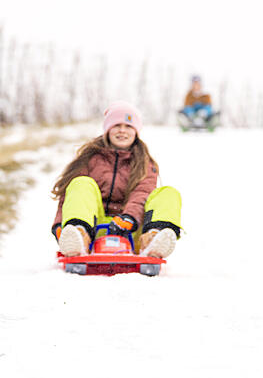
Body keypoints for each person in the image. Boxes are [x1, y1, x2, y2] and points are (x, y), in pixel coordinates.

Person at [51, 101, 182, 259]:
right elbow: (71, 195)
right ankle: (78, 234)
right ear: (107, 130)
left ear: (136, 132)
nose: (122, 131)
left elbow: (142, 193)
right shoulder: (89, 158)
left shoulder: (145, 163)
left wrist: (129, 218)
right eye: (116, 125)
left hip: (131, 232)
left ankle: (154, 239)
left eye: (128, 126)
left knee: (168, 193)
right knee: (81, 183)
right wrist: (60, 224)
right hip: (94, 229)